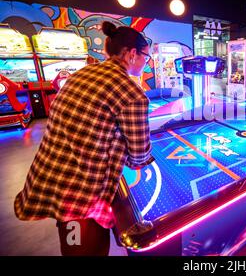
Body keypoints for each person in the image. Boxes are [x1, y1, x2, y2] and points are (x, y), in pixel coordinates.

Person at [14, 21, 154, 256]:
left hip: (50, 177)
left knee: (71, 243)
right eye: (146, 57)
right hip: (81, 193)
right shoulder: (132, 94)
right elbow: (139, 154)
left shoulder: (83, 74)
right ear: (132, 54)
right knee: (86, 250)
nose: (146, 63)